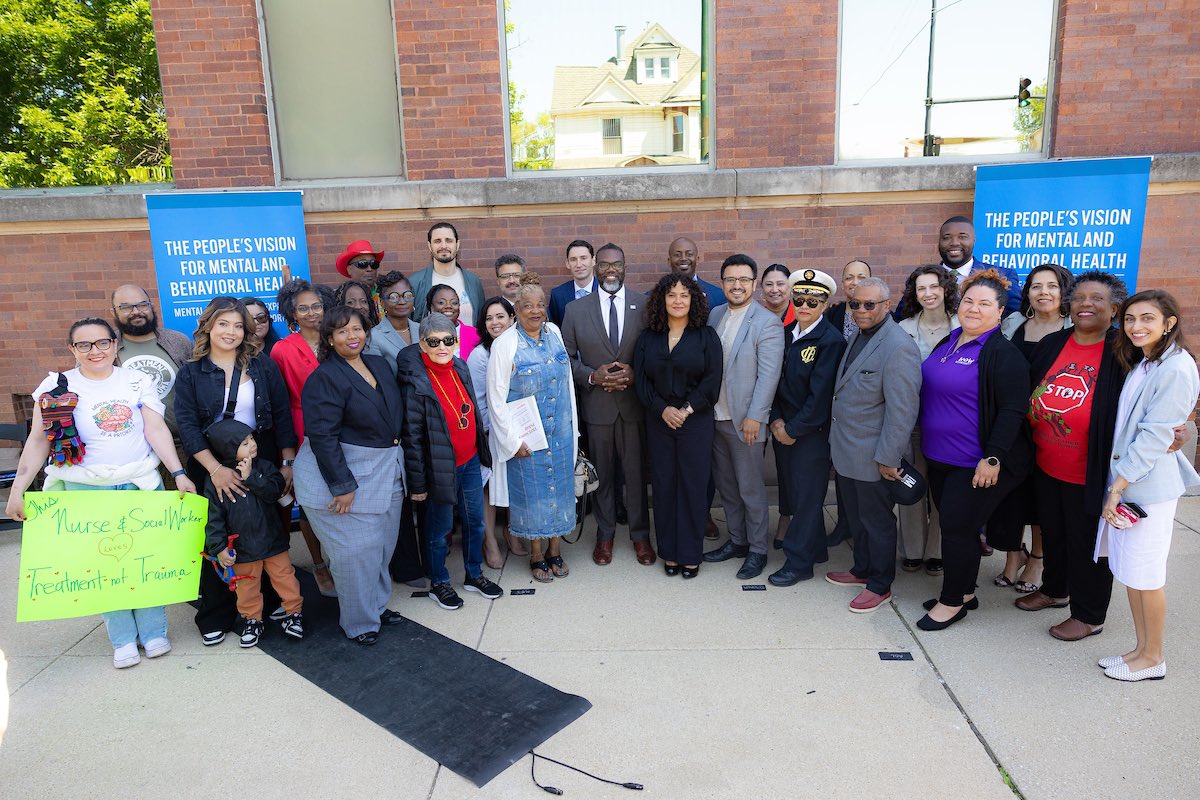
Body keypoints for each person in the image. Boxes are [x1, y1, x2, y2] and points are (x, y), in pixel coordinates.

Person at [5, 318, 195, 669]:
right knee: (103, 566)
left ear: (115, 344)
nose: (96, 351)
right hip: (85, 487)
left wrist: (178, 473)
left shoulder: (137, 380)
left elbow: (155, 430)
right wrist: (17, 489)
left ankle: (153, 631)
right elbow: (38, 440)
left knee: (146, 561)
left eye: (103, 343)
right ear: (72, 349)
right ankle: (122, 638)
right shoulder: (54, 386)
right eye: (85, 345)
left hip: (138, 482)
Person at [172, 296, 298, 645]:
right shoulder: (192, 373)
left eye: (238, 325)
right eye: (223, 324)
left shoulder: (261, 364)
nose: (231, 331)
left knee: (264, 531)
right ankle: (215, 612)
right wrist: (214, 470)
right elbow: (187, 426)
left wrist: (286, 463)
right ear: (208, 326)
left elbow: (282, 413)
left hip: (261, 461)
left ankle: (266, 604)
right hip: (210, 464)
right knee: (218, 536)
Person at [915, 270, 1033, 631]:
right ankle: (965, 591)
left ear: (1000, 313)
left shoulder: (1002, 354)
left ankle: (951, 603)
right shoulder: (948, 341)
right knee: (958, 527)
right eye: (968, 301)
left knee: (955, 527)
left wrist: (993, 457)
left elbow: (1014, 410)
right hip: (940, 457)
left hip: (977, 462)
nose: (974, 308)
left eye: (984, 304)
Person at [1016, 272, 1129, 642]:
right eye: (1079, 297)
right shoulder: (1053, 343)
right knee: (1055, 532)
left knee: (1088, 544)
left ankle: (1089, 614)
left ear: (1114, 308)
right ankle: (1055, 589)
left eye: (1097, 299)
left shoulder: (1124, 351)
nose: (1085, 304)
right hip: (1048, 463)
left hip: (1092, 470)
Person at [1097, 290, 1200, 681]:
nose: (1136, 327)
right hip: (1130, 484)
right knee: (1132, 572)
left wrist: (1117, 487)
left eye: (1147, 319)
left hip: (1146, 488)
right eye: (1130, 319)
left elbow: (1154, 436)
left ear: (1169, 323)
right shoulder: (1146, 362)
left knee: (1148, 575)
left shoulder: (1176, 367)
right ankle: (1138, 650)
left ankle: (1153, 657)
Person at [293, 306, 406, 646]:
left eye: (357, 329)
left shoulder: (379, 365)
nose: (352, 336)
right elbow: (323, 437)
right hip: (343, 475)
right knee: (356, 553)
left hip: (387, 468)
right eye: (342, 332)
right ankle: (359, 623)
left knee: (381, 547)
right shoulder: (324, 378)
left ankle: (375, 606)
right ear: (329, 338)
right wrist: (341, 486)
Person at [826, 278, 921, 613]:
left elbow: (903, 409)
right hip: (848, 451)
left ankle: (880, 584)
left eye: (870, 305)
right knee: (857, 518)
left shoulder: (898, 346)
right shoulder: (857, 336)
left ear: (886, 304)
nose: (861, 310)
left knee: (877, 522)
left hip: (876, 456)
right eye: (855, 304)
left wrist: (889, 458)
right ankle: (862, 569)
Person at [398, 314, 504, 610]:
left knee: (476, 522)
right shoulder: (415, 382)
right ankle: (439, 582)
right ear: (423, 344)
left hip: (469, 461)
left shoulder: (459, 366)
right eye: (434, 342)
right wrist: (418, 484)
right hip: (439, 468)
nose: (443, 346)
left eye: (448, 340)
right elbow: (412, 436)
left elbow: (471, 409)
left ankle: (473, 574)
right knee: (439, 529)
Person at [561, 243, 654, 567]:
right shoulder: (575, 310)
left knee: (636, 474)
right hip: (597, 407)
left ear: (625, 266)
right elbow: (566, 359)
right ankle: (605, 535)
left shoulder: (644, 305)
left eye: (617, 264)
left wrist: (635, 373)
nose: (610, 270)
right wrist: (593, 376)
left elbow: (655, 352)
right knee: (603, 476)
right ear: (596, 268)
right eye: (604, 265)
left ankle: (641, 536)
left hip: (633, 407)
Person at [487, 272, 579, 583]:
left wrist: (574, 431)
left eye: (540, 304)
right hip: (527, 438)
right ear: (516, 309)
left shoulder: (554, 332)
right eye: (528, 305)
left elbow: (567, 385)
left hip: (562, 434)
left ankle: (556, 550)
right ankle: (537, 555)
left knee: (562, 493)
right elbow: (496, 399)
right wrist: (511, 442)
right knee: (533, 496)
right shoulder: (505, 344)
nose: (535, 311)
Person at [991, 263, 1074, 591]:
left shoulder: (1071, 329)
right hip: (1013, 422)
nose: (1043, 292)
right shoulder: (1012, 323)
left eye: (1051, 286)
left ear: (1063, 291)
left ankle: (1037, 559)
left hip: (1052, 427)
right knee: (1012, 495)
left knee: (1042, 497)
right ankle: (1013, 556)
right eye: (1036, 286)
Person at [634, 273, 722, 578]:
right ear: (662, 300)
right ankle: (669, 553)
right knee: (663, 485)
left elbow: (712, 381)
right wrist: (663, 409)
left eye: (684, 295)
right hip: (659, 422)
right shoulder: (648, 337)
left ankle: (690, 554)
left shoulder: (706, 336)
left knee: (693, 487)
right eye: (671, 295)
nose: (678, 300)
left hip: (695, 422)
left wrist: (684, 409)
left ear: (693, 299)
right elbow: (642, 382)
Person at [702, 254, 784, 580]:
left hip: (745, 421)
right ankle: (736, 540)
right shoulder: (715, 314)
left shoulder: (766, 322)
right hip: (715, 417)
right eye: (730, 279)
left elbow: (769, 376)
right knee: (727, 486)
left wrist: (756, 417)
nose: (737, 285)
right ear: (722, 283)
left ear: (754, 283)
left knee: (751, 488)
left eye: (744, 280)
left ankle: (757, 550)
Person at [766, 269, 847, 586]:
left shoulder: (830, 341)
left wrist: (792, 429)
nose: (804, 305)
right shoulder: (787, 334)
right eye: (799, 299)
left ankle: (798, 563)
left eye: (813, 301)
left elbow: (821, 396)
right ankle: (814, 551)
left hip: (810, 435)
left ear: (825, 304)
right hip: (782, 428)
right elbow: (775, 383)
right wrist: (775, 420)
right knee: (798, 493)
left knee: (808, 500)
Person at [202, 419, 304, 646]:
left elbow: (275, 491)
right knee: (246, 587)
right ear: (228, 448)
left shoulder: (265, 467)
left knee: (285, 578)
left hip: (273, 541)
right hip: (242, 547)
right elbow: (213, 518)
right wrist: (218, 548)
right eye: (244, 443)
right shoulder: (217, 481)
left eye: (251, 439)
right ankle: (252, 620)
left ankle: (293, 613)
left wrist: (251, 478)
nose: (252, 444)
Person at [271, 279, 336, 597]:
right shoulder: (282, 349)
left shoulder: (336, 340)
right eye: (303, 308)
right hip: (302, 429)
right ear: (291, 314)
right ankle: (318, 563)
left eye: (317, 305)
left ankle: (341, 559)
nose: (312, 313)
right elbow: (280, 404)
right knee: (311, 501)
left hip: (342, 427)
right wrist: (289, 453)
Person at [896, 265, 959, 577]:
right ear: (914, 293)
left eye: (934, 286)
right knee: (911, 484)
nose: (928, 293)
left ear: (945, 288)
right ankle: (912, 550)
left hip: (950, 424)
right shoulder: (903, 327)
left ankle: (936, 551)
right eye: (921, 288)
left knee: (941, 490)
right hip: (912, 421)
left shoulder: (965, 325)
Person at [469, 296, 524, 563]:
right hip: (490, 431)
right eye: (489, 318)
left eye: (500, 316)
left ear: (512, 318)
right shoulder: (481, 355)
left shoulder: (521, 346)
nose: (495, 322)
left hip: (519, 429)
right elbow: (482, 401)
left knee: (514, 482)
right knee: (489, 489)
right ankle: (489, 541)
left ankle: (512, 531)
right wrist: (493, 432)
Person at [111, 284, 193, 436]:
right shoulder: (105, 347)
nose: (136, 312)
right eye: (126, 307)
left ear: (151, 306)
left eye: (142, 305)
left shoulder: (178, 341)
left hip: (181, 442)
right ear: (114, 312)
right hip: (134, 446)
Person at [760, 263, 796, 546]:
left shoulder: (802, 318)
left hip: (787, 407)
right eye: (769, 284)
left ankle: (786, 516)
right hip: (756, 403)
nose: (775, 289)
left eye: (780, 283)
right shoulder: (755, 317)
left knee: (787, 467)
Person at [936, 216, 1020, 316]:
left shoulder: (1003, 275)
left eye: (963, 237)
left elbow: (1015, 315)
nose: (954, 243)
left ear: (974, 240)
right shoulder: (924, 278)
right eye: (946, 238)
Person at [410, 222, 485, 324]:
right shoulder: (416, 282)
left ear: (457, 245)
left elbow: (481, 319)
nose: (443, 246)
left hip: (470, 340)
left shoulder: (473, 281)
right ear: (429, 246)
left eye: (449, 240)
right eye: (437, 241)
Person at [364, 271, 421, 377]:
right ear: (382, 303)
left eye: (407, 295)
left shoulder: (421, 330)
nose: (402, 301)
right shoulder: (374, 337)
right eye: (394, 297)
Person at [549, 240, 598, 327]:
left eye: (583, 258)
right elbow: (555, 329)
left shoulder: (605, 290)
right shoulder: (558, 295)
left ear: (593, 260)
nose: (578, 264)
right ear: (567, 263)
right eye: (573, 259)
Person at [668, 236, 725, 310]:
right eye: (677, 255)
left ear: (697, 260)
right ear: (669, 261)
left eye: (689, 254)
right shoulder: (653, 297)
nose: (683, 258)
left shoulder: (718, 296)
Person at [425, 284, 480, 360]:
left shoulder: (475, 335)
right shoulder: (423, 334)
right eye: (441, 302)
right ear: (431, 307)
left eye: (454, 303)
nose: (448, 306)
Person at [335, 239, 386, 318]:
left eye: (373, 264)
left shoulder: (386, 293)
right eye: (362, 264)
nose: (369, 269)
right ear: (349, 269)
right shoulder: (339, 297)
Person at [824, 260, 871, 343]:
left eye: (861, 278)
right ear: (842, 284)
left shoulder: (882, 315)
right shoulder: (830, 315)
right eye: (849, 278)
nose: (855, 282)